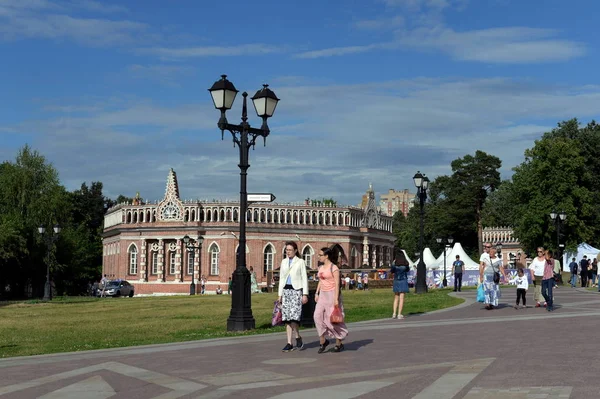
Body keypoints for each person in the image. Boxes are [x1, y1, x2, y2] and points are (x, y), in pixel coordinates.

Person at [314, 246, 348, 353]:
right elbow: (320, 281)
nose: (318, 257)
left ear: (326, 256)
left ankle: (339, 343)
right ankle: (323, 341)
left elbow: (337, 284)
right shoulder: (320, 268)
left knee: (332, 319)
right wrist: (316, 292)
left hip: (332, 294)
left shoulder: (334, 268)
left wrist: (336, 299)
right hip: (322, 295)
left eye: (320, 255)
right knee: (317, 316)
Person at [278, 241, 309, 352]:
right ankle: (289, 342)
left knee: (294, 317)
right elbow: (282, 278)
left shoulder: (300, 262)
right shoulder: (284, 262)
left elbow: (304, 278)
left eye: (290, 250)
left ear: (295, 251)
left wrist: (305, 294)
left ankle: (297, 336)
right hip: (286, 290)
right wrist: (280, 294)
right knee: (287, 318)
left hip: (296, 291)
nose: (288, 252)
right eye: (287, 250)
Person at [479, 244, 505, 310]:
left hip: (494, 277)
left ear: (494, 253)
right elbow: (483, 267)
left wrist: (504, 276)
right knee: (486, 290)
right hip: (486, 277)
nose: (490, 254)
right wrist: (481, 276)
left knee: (493, 290)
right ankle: (487, 304)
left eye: (491, 253)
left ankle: (491, 303)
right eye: (489, 253)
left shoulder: (498, 260)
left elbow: (501, 268)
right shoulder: (486, 259)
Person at [390, 249, 410, 319]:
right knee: (402, 298)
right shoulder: (405, 265)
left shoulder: (395, 265)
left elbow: (392, 271)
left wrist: (393, 263)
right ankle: (399, 314)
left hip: (396, 281)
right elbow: (408, 269)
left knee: (396, 297)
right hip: (403, 281)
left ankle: (394, 313)